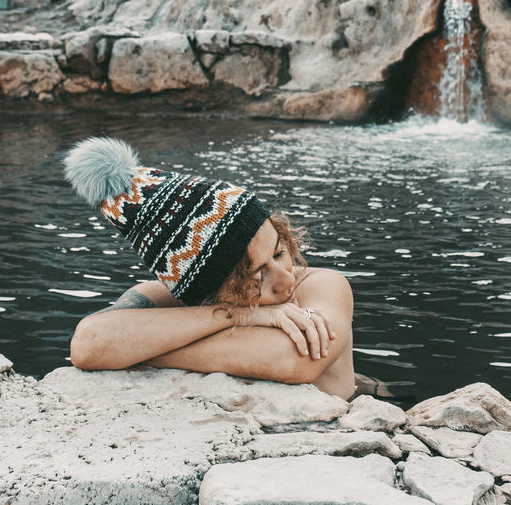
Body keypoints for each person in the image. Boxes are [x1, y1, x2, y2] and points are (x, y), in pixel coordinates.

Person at [62, 137, 400, 402]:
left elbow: (295, 358)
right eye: (256, 277)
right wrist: (237, 316)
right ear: (205, 291)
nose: (285, 280)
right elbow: (90, 343)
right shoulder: (169, 294)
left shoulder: (323, 284)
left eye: (279, 252)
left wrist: (143, 353)